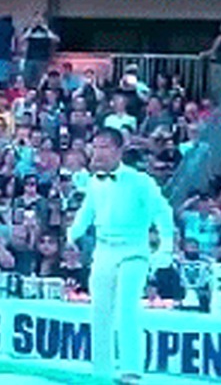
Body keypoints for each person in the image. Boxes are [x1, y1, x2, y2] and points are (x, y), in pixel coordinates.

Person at [69, 126, 175, 383]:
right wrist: (72, 235)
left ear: (119, 150)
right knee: (99, 310)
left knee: (126, 309)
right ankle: (101, 370)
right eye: (96, 147)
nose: (99, 152)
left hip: (134, 250)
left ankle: (131, 371)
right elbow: (86, 212)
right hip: (104, 249)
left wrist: (166, 244)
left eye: (105, 147)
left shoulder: (140, 181)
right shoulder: (95, 182)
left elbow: (162, 212)